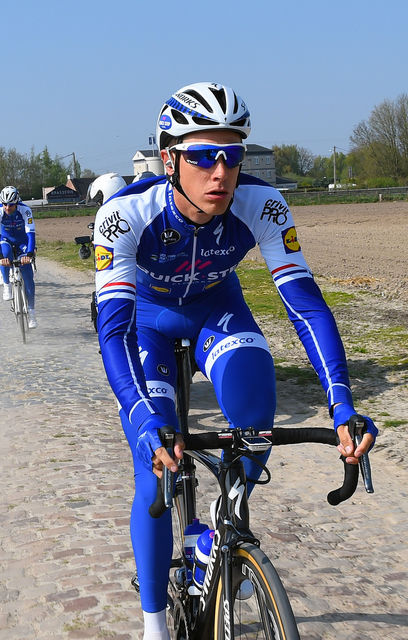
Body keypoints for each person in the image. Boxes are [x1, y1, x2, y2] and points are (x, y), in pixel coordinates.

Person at [92, 81, 377, 640]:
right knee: (155, 473)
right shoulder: (125, 215)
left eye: (232, 154)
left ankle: (218, 537)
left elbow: (306, 306)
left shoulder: (262, 205)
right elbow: (115, 329)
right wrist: (142, 415)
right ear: (170, 159)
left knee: (256, 416)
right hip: (147, 321)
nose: (219, 172)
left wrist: (341, 402)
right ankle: (154, 624)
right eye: (202, 156)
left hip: (217, 310)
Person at [0, 186, 37, 328]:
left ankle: (31, 312)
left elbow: (31, 234)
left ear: (16, 203)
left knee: (28, 275)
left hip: (22, 241)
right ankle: (6, 284)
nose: (7, 207)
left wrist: (29, 254)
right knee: (5, 254)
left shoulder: (25, 210)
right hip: (5, 239)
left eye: (10, 204)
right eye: (4, 204)